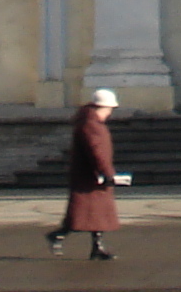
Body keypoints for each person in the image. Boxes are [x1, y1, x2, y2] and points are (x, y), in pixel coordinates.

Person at [46, 88, 124, 261]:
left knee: (97, 214)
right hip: (90, 177)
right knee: (82, 215)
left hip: (92, 176)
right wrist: (107, 172)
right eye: (109, 109)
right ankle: (58, 235)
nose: (110, 113)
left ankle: (97, 247)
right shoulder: (91, 125)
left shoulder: (89, 122)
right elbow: (97, 152)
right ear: (102, 108)